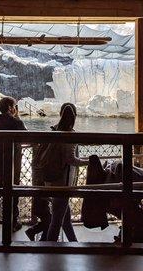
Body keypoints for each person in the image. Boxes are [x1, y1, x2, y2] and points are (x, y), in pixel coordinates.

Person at [40, 103, 89, 242]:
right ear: (75, 117)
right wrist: (90, 162)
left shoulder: (53, 130)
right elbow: (71, 159)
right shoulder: (70, 135)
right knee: (56, 221)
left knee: (64, 218)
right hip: (63, 183)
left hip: (50, 179)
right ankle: (51, 249)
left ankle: (74, 243)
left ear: (60, 114)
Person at [0, 96, 25, 233]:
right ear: (10, 108)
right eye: (14, 106)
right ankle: (13, 221)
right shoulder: (16, 123)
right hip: (13, 163)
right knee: (13, 191)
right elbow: (27, 135)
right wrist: (17, 117)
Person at [24, 143, 52, 241]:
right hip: (41, 201)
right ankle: (34, 233)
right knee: (49, 220)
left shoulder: (38, 166)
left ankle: (40, 236)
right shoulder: (44, 171)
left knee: (48, 220)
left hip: (39, 201)